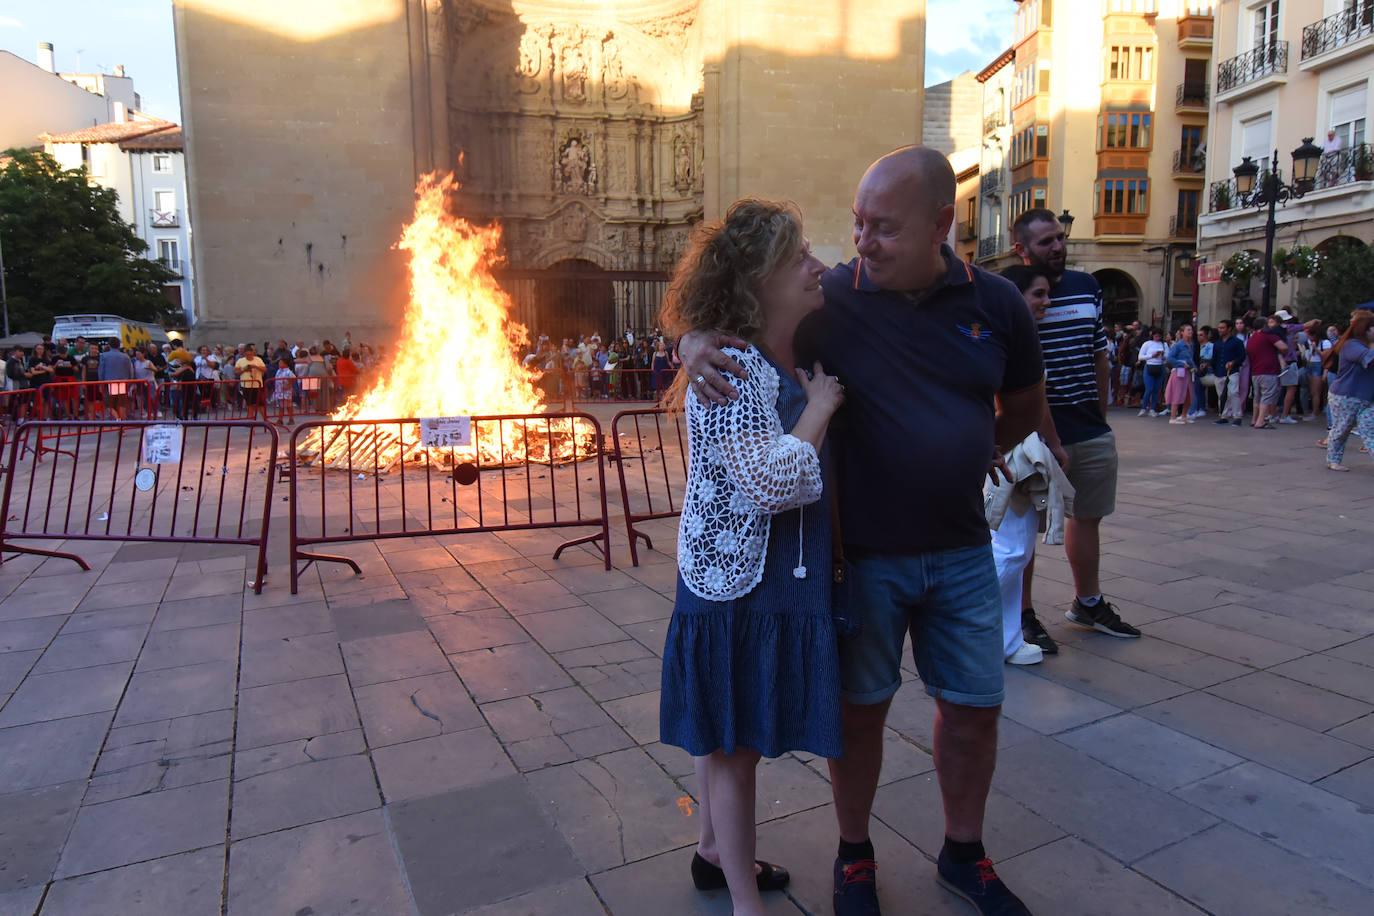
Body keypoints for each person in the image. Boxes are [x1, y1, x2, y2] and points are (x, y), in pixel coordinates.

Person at [681, 146, 1045, 916]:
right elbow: (733, 318)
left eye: (882, 227)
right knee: (860, 711)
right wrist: (689, 343)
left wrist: (980, 449)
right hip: (865, 555)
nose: (859, 243)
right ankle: (854, 856)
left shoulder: (1000, 303)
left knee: (976, 707)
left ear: (942, 224)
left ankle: (964, 852)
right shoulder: (829, 298)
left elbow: (1021, 402)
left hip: (961, 550)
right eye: (856, 222)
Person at [660, 199, 845, 916]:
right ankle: (744, 902)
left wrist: (687, 338)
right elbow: (768, 482)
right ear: (754, 280)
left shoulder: (739, 357)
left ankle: (713, 852)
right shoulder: (737, 365)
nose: (816, 264)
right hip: (736, 582)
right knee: (733, 748)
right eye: (797, 255)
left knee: (720, 737)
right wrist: (821, 406)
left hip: (728, 574)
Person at [1013, 208, 1141, 652]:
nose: (1057, 247)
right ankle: (1022, 614)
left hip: (1088, 427)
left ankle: (1087, 602)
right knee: (1022, 527)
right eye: (1045, 241)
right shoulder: (1014, 293)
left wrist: (1101, 415)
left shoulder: (1088, 288)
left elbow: (1099, 355)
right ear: (1022, 249)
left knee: (1088, 517)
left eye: (1059, 237)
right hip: (1033, 433)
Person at [989, 264, 1075, 667]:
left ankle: (1005, 639)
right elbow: (1029, 404)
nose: (1046, 302)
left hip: (1008, 449)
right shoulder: (1009, 336)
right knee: (1011, 548)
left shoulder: (1001, 333)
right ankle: (974, 623)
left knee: (1015, 548)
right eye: (1038, 294)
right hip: (1014, 455)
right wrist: (1054, 445)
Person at [1322, 309, 1374, 471]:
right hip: (1346, 396)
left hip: (1365, 397)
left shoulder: (1359, 345)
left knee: (1370, 429)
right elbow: (1369, 359)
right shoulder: (1351, 345)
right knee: (1342, 429)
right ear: (1365, 329)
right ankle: (1333, 461)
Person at [1246, 315, 1288, 429]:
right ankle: (1261, 421)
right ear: (1264, 325)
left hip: (1255, 371)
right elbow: (1283, 347)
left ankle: (1254, 419)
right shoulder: (1269, 335)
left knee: (1257, 396)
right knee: (1267, 396)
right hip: (1269, 370)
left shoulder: (1251, 339)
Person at [1211, 319, 1247, 426]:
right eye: (1219, 328)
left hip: (1232, 371)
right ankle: (1223, 416)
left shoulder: (1237, 342)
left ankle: (1237, 416)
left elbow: (1242, 356)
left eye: (1222, 328)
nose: (1220, 330)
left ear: (1229, 329)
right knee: (1221, 395)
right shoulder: (1217, 343)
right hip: (1219, 371)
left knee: (1233, 393)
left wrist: (1233, 362)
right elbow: (1215, 358)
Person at [1164, 324, 1196, 424]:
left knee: (1189, 395)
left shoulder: (1192, 344)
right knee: (1177, 393)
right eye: (1188, 330)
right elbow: (1170, 358)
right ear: (1182, 332)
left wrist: (1194, 367)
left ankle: (1183, 415)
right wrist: (1181, 363)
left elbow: (1191, 359)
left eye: (1191, 330)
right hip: (1179, 372)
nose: (1190, 332)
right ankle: (1173, 417)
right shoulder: (1178, 345)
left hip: (1188, 372)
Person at [1136, 328, 1167, 416]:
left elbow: (1167, 358)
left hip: (1160, 366)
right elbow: (1140, 357)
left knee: (1156, 389)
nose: (1157, 337)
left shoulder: (1164, 345)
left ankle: (1152, 408)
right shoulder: (1147, 344)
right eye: (1155, 335)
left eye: (1159, 336)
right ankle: (1143, 407)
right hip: (1150, 366)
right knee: (1149, 389)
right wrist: (1152, 356)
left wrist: (1163, 356)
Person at [234, 344, 269, 423]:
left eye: (250, 354)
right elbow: (236, 372)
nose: (249, 356)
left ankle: (266, 421)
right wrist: (244, 369)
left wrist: (255, 367)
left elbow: (264, 369)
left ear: (253, 353)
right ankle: (251, 422)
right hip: (246, 385)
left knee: (260, 404)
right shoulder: (240, 361)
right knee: (249, 404)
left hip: (257, 385)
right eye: (247, 354)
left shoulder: (258, 360)